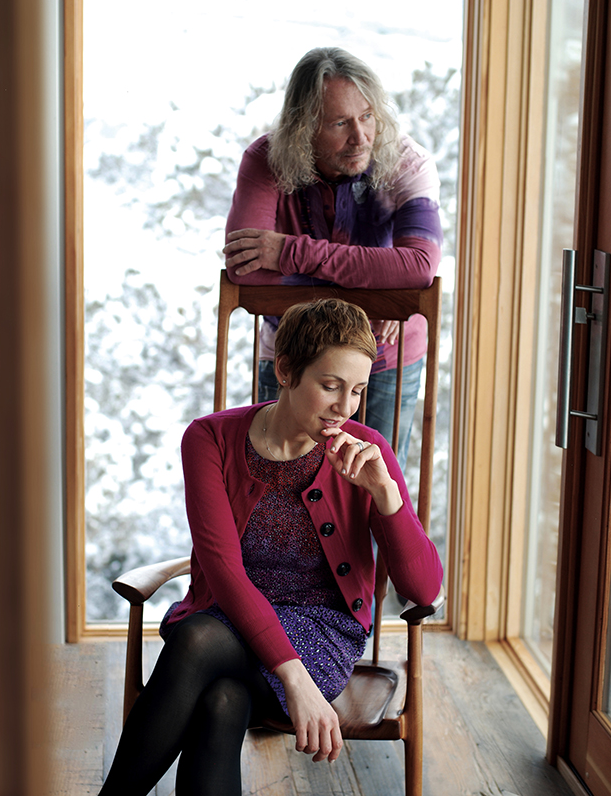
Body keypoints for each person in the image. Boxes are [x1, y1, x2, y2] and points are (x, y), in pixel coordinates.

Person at [98, 299, 443, 796]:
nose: (345, 407)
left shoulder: (367, 450)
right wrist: (293, 679)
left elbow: (424, 590)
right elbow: (223, 572)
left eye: (358, 390)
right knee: (222, 700)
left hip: (318, 632)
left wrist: (387, 496)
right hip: (230, 616)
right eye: (331, 386)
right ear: (285, 371)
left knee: (195, 643)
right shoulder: (211, 439)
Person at [223, 47, 443, 469]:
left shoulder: (408, 162)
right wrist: (379, 292)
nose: (360, 137)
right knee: (276, 485)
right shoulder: (265, 160)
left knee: (373, 488)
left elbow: (417, 266)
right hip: (293, 358)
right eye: (340, 123)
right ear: (303, 127)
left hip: (384, 357)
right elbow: (246, 272)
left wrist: (289, 252)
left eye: (368, 116)